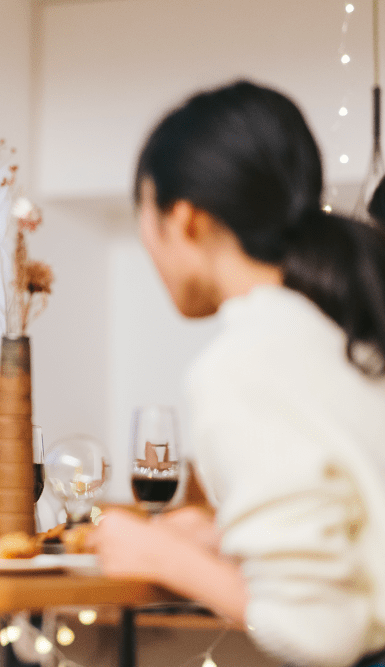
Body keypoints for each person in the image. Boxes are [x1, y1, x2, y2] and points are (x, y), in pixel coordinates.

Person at [91, 81, 385, 667]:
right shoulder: (341, 323)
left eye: (145, 219)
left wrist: (158, 555)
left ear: (187, 220)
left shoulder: (244, 362)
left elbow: (319, 629)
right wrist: (230, 537)